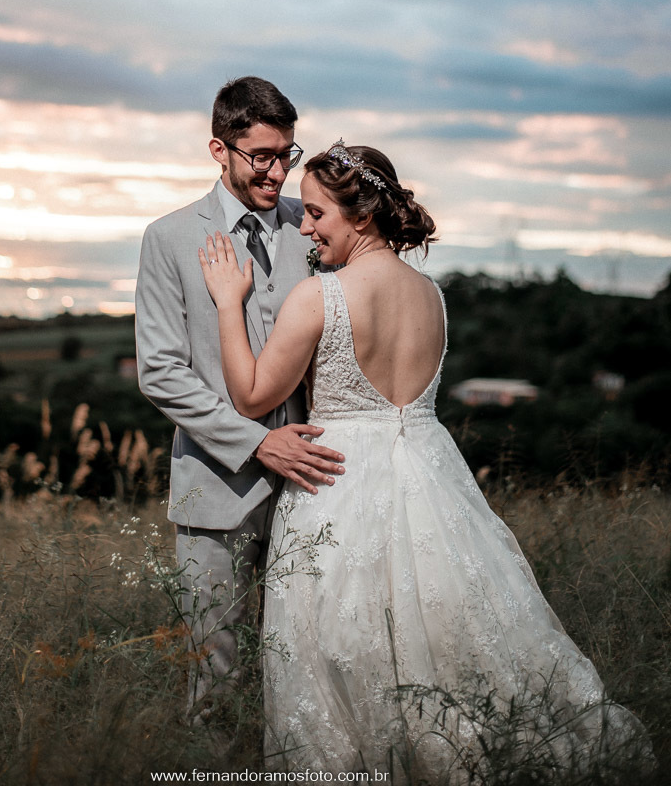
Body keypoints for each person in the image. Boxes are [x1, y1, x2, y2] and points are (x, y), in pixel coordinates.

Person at [199, 141, 652, 781]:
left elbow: (249, 396)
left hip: (340, 480)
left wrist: (227, 300)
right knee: (444, 631)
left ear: (360, 216)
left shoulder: (318, 297)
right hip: (429, 475)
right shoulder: (432, 297)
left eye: (318, 213)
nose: (305, 225)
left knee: (341, 647)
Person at [134, 77, 345, 717]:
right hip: (214, 490)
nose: (277, 172)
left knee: (306, 666)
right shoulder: (168, 238)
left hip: (313, 485)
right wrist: (258, 442)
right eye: (262, 156)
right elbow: (161, 372)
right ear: (218, 149)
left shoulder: (308, 229)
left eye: (287, 153)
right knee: (215, 682)